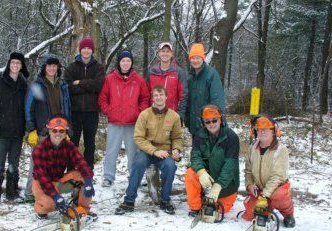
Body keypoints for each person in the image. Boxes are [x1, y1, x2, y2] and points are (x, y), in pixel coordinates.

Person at [115, 85, 182, 215]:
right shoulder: (145, 115)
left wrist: (176, 149)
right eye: (156, 95)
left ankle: (165, 200)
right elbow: (139, 138)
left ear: (166, 96)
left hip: (165, 152)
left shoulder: (174, 116)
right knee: (138, 163)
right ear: (152, 98)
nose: (159, 98)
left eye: (161, 95)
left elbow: (177, 137)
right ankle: (129, 201)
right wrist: (154, 151)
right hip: (146, 151)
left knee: (170, 166)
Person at [24, 53, 71, 205]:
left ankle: (50, 191)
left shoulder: (62, 85)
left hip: (59, 130)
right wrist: (31, 129)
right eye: (49, 65)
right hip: (43, 130)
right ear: (43, 68)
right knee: (37, 163)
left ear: (58, 67)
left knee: (55, 163)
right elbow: (28, 108)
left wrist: (68, 130)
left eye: (54, 65)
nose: (52, 68)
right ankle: (30, 193)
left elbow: (67, 108)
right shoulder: (36, 85)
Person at [98, 50, 150, 187]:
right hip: (115, 121)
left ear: (131, 62)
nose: (125, 63)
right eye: (123, 60)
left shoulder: (138, 79)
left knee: (133, 152)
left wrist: (140, 112)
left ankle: (134, 176)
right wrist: (107, 110)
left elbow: (145, 98)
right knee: (111, 151)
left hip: (133, 122)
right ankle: (108, 176)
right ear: (119, 62)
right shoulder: (110, 79)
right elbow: (103, 97)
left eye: (128, 60)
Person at [31, 114, 95, 219]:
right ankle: (41, 207)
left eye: (61, 131)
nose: (58, 134)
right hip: (41, 184)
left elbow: (81, 162)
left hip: (58, 180)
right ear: (49, 131)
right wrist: (55, 195)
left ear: (66, 132)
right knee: (50, 205)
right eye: (55, 131)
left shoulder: (68, 145)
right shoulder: (40, 149)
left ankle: (79, 209)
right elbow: (41, 176)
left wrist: (88, 180)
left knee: (83, 178)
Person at [0, 52, 29, 207]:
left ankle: (11, 192)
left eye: (18, 63)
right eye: (13, 62)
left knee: (13, 164)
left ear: (22, 66)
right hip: (1, 132)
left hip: (17, 132)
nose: (15, 65)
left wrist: (26, 128)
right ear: (9, 64)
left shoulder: (24, 85)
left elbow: (27, 108)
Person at [185, 104, 239, 217]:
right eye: (207, 122)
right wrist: (201, 171)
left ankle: (221, 193)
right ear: (203, 123)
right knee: (191, 173)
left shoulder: (231, 137)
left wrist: (218, 185)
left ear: (221, 120)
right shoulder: (199, 135)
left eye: (214, 120)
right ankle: (195, 206)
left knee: (221, 209)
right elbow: (195, 156)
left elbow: (230, 165)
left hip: (225, 176)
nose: (211, 124)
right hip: (208, 169)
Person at [242, 114, 295, 228]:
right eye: (259, 129)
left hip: (277, 187)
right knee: (250, 214)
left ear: (274, 131)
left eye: (266, 129)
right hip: (260, 188)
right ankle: (266, 210)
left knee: (280, 197)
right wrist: (250, 185)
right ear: (255, 132)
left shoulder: (281, 150)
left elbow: (277, 177)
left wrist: (265, 196)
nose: (262, 132)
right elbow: (248, 171)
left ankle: (288, 214)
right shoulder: (252, 149)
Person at [64, 38, 106, 171]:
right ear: (80, 49)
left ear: (92, 50)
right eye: (84, 48)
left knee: (90, 144)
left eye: (89, 48)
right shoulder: (72, 67)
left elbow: (98, 85)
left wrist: (80, 82)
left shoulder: (98, 67)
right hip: (75, 112)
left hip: (91, 112)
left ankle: (88, 171)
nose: (86, 51)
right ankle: (70, 171)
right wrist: (89, 86)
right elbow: (68, 87)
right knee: (72, 143)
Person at [185, 43, 225, 136]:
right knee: (196, 150)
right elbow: (188, 102)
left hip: (209, 127)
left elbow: (217, 100)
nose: (195, 61)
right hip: (194, 128)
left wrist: (213, 122)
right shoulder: (191, 78)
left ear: (203, 59)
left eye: (198, 58)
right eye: (193, 58)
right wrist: (188, 120)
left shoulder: (211, 75)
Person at [145, 42, 187, 125]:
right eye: (163, 51)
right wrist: (146, 114)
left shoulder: (178, 72)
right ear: (159, 53)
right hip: (153, 116)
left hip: (172, 116)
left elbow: (183, 96)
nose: (165, 53)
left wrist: (180, 115)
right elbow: (146, 95)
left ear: (172, 54)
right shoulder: (152, 72)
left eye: (168, 51)